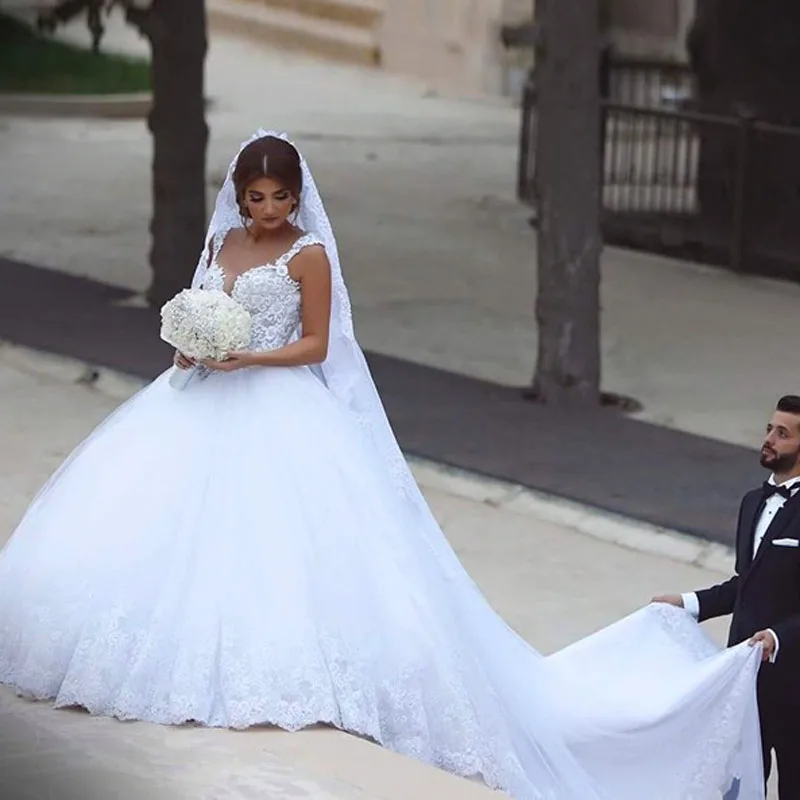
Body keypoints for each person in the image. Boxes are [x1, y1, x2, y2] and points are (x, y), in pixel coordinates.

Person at [0, 130, 768, 799]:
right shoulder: (220, 245)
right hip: (198, 396)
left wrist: (248, 358)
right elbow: (206, 303)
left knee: (282, 542)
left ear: (298, 196)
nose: (270, 211)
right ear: (240, 195)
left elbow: (318, 345)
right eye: (258, 197)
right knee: (163, 526)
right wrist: (192, 346)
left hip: (276, 400)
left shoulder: (307, 254)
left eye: (281, 197)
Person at [655, 394, 800, 799]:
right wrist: (686, 602)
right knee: (736, 783)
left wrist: (779, 636)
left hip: (795, 684)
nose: (769, 438)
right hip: (744, 677)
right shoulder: (752, 503)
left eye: (782, 433)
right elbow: (746, 583)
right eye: (770, 429)